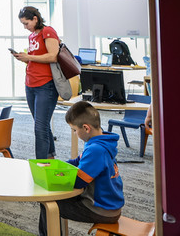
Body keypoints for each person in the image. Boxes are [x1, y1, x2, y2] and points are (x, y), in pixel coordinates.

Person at [38, 100, 123, 235]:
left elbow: (78, 182)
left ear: (86, 128)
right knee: (54, 200)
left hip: (100, 210)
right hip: (109, 205)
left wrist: (56, 176)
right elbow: (78, 161)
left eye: (74, 130)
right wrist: (55, 166)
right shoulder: (102, 140)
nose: (74, 133)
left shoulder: (96, 150)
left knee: (47, 204)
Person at [12, 6, 59, 159]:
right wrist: (24, 58)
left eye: (26, 23)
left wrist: (29, 57)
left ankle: (41, 165)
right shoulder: (32, 36)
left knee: (40, 128)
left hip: (45, 85)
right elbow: (36, 59)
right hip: (30, 84)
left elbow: (53, 56)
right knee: (42, 124)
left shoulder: (48, 31)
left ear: (35, 19)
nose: (25, 27)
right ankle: (50, 158)